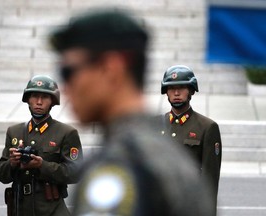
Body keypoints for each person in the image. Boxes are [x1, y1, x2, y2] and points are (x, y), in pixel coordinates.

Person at [49, 9, 211, 216]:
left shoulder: (118, 167)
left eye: (68, 72)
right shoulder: (171, 157)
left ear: (111, 68)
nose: (64, 87)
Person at [0, 75, 83, 216]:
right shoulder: (15, 132)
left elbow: (75, 172)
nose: (39, 102)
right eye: (35, 96)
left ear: (52, 101)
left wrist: (42, 166)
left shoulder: (66, 133)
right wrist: (11, 163)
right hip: (20, 207)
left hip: (51, 209)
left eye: (45, 97)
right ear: (28, 100)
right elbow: (1, 175)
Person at [160, 65, 222, 216]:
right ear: (165, 91)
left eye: (181, 88)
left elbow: (209, 182)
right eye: (171, 88)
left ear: (191, 90)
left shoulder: (207, 127)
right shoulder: (154, 125)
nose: (176, 93)